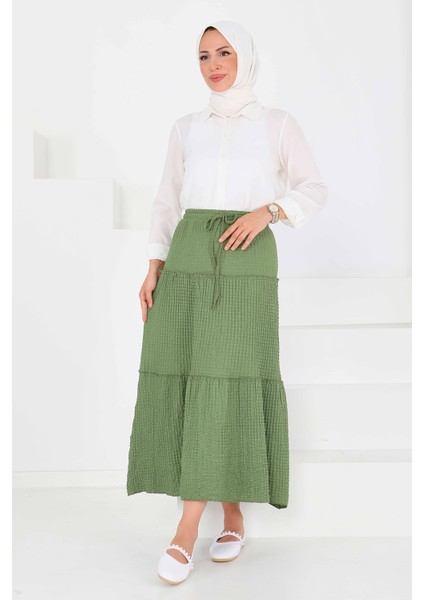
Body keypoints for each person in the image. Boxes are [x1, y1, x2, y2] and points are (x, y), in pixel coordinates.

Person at [126, 19, 328, 585]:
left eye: (224, 53)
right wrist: (153, 264)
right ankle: (232, 514)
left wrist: (270, 211)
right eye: (204, 56)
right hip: (188, 253)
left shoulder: (278, 123)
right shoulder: (186, 127)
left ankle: (186, 528)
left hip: (246, 256)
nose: (214, 65)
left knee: (229, 374)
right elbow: (166, 200)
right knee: (193, 374)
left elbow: (314, 187)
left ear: (246, 58)